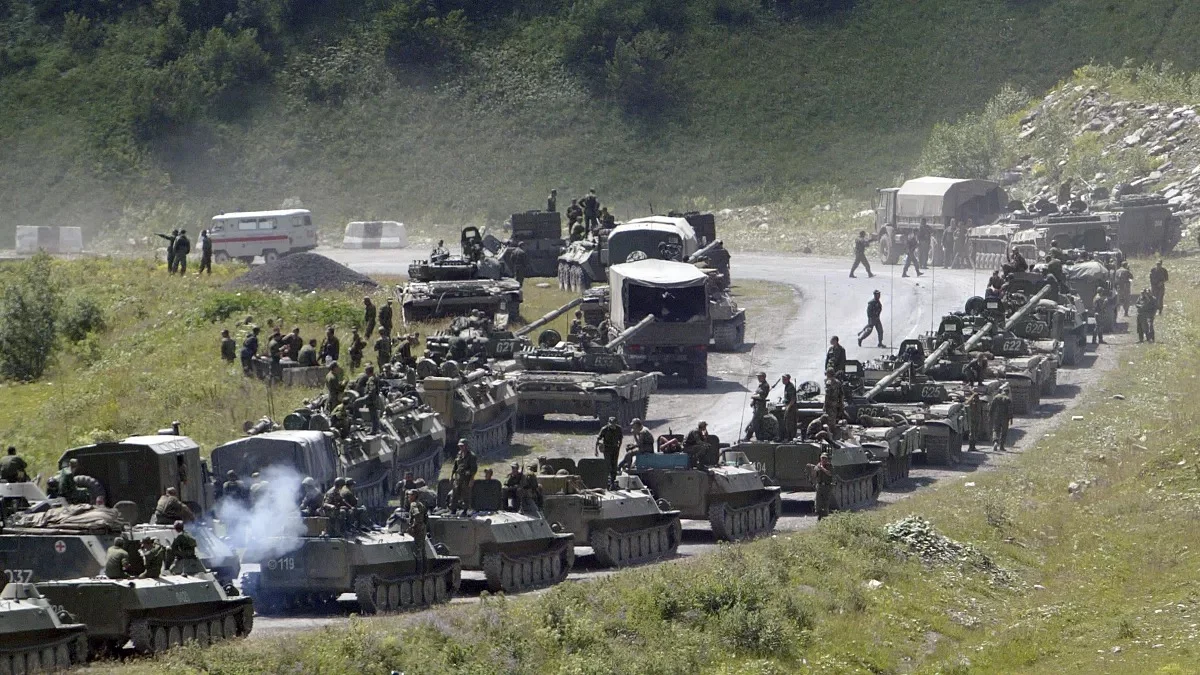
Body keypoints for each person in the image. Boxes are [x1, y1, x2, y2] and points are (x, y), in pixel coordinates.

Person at [450, 440, 478, 516]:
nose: (461, 447)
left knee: (465, 495)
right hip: (458, 478)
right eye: (460, 446)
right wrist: (452, 475)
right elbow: (455, 466)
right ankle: (453, 510)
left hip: (466, 479)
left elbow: (474, 469)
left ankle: (465, 510)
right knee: (455, 494)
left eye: (462, 446)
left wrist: (471, 479)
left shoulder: (471, 456)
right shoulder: (459, 454)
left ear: (466, 446)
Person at [596, 416, 623, 482]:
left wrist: (619, 448)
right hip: (607, 448)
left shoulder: (619, 429)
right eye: (611, 424)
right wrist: (596, 450)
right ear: (608, 423)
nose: (612, 425)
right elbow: (598, 439)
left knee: (614, 464)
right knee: (608, 464)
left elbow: (620, 439)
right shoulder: (604, 429)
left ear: (616, 423)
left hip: (615, 448)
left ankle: (613, 480)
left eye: (613, 424)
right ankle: (607, 479)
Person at [807, 453, 835, 520]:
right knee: (818, 503)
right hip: (819, 486)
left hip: (827, 486)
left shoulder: (829, 466)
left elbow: (830, 474)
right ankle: (819, 517)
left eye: (825, 458)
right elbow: (814, 476)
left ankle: (825, 518)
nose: (824, 459)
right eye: (822, 458)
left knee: (826, 504)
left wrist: (822, 468)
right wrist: (812, 469)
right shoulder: (818, 466)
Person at [407, 489, 429, 572]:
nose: (409, 497)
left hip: (418, 528)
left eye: (410, 495)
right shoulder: (420, 503)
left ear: (414, 496)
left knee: (418, 550)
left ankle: (419, 572)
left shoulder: (413, 504)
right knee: (423, 549)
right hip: (423, 527)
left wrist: (413, 526)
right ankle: (425, 570)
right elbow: (426, 516)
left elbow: (417, 515)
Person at [360, 364, 381, 433]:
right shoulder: (375, 377)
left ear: (368, 372)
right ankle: (376, 429)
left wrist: (369, 396)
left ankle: (374, 430)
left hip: (372, 400)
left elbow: (372, 390)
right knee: (375, 415)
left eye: (366, 371)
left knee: (373, 415)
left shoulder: (371, 379)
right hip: (375, 399)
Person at [990, 384, 1013, 451]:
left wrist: (990, 415)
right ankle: (1001, 446)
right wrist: (1011, 418)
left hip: (997, 417)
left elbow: (992, 407)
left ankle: (995, 442)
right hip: (1005, 418)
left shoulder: (996, 397)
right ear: (1007, 393)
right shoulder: (1008, 399)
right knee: (1004, 432)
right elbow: (1010, 410)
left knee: (995, 430)